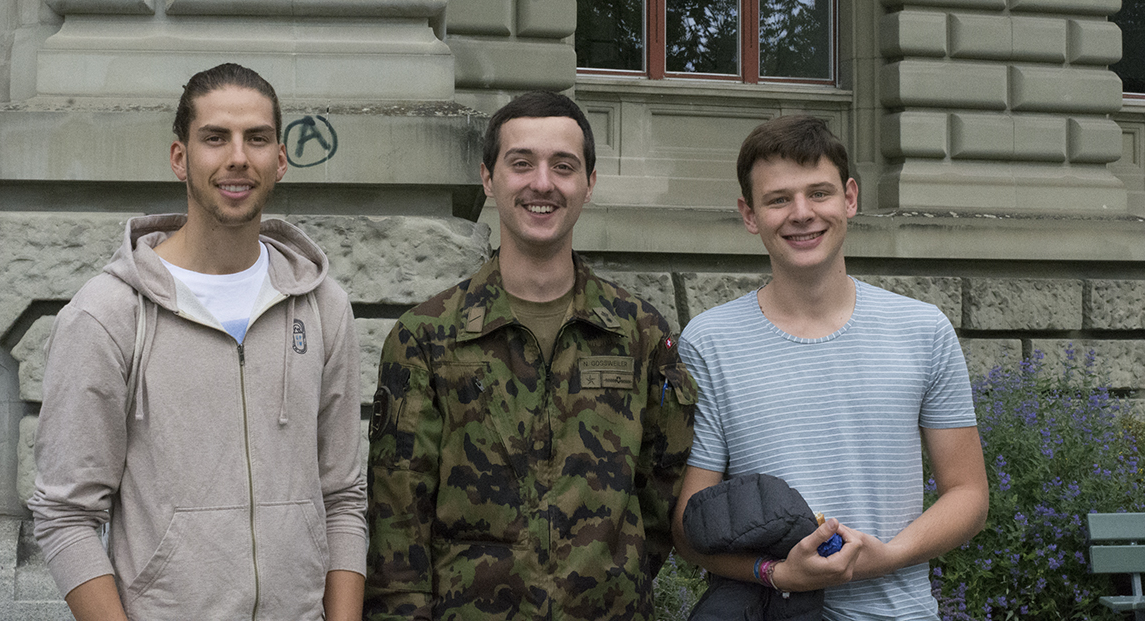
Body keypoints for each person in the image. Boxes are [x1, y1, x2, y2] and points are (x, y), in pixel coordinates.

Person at [30, 63, 367, 621]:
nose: (238, 157)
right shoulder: (108, 312)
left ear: (280, 159)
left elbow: (343, 499)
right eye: (215, 138)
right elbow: (65, 516)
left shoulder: (324, 306)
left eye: (256, 138)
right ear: (180, 158)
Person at [364, 91, 696, 620]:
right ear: (488, 178)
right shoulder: (426, 337)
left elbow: (659, 500)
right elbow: (398, 524)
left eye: (563, 167)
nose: (542, 183)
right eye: (521, 164)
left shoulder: (639, 334)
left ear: (589, 184)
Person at [673, 115, 988, 619]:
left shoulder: (923, 330)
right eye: (778, 199)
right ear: (749, 214)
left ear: (850, 198)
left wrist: (890, 556)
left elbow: (969, 493)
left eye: (818, 193)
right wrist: (776, 574)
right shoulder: (709, 343)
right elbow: (690, 528)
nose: (802, 213)